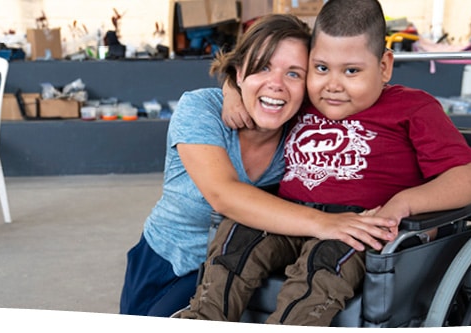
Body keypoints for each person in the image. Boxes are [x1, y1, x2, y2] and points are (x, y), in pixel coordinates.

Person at [175, 0, 471, 326]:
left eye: (352, 71)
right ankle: (203, 320)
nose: (333, 85)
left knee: (323, 264)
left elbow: (469, 178)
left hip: (357, 228)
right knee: (237, 235)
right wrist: (232, 92)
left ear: (384, 66)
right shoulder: (306, 99)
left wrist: (404, 203)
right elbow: (267, 83)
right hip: (292, 215)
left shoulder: (413, 109)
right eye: (321, 68)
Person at [121, 14, 397, 318]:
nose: (276, 84)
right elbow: (223, 195)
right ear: (239, 74)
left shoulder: (305, 131)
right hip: (168, 261)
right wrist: (325, 223)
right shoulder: (201, 110)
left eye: (294, 74)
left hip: (245, 267)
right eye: (263, 67)